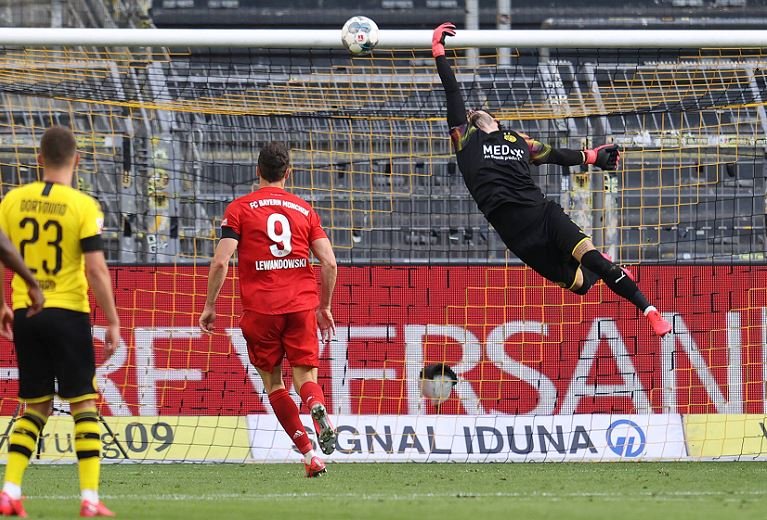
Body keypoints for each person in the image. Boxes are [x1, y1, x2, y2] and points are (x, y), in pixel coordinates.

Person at [432, 23, 672, 337]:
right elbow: (452, 91)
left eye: (480, 111)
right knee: (581, 285)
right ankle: (606, 266)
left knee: (595, 261)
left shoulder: (519, 140)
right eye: (471, 113)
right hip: (518, 237)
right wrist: (439, 52)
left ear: (496, 118)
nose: (475, 113)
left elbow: (556, 154)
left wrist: (592, 157)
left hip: (544, 215)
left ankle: (651, 312)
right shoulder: (465, 140)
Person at [0, 126, 121, 517]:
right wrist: (113, 321)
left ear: (38, 159)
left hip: (25, 312)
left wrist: (2, 303)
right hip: (68, 311)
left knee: (33, 406)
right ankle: (89, 498)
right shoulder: (84, 206)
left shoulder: (11, 200)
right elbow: (96, 268)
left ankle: (11, 490)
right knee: (84, 403)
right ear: (77, 160)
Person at [199, 141, 338, 477]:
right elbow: (330, 262)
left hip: (261, 310)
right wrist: (325, 307)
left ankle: (309, 455)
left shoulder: (240, 209)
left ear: (257, 171)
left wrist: (210, 305)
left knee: (275, 384)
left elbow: (220, 261)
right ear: (288, 173)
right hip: (301, 305)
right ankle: (316, 404)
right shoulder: (306, 210)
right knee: (305, 376)